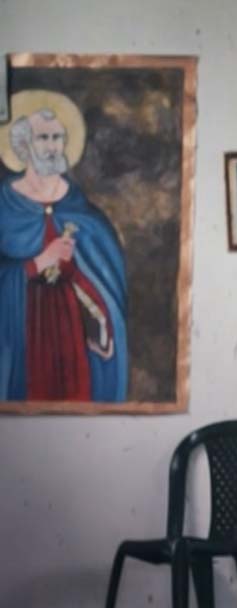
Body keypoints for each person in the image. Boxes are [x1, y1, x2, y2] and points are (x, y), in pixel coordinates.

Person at [2, 100, 129, 402]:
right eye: (43, 137)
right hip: (21, 330)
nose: (52, 146)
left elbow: (102, 280)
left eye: (57, 137)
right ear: (23, 144)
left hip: (69, 329)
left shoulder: (82, 211)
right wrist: (37, 263)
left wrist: (102, 324)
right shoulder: (5, 206)